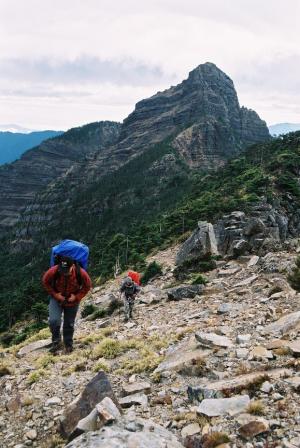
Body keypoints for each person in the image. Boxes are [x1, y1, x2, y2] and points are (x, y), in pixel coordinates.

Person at [42, 256, 92, 353]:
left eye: (66, 270)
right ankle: (56, 342)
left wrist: (76, 297)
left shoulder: (80, 273)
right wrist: (55, 295)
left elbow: (87, 286)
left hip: (72, 301)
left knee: (69, 323)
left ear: (72, 266)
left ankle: (68, 345)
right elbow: (45, 282)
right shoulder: (54, 271)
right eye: (62, 270)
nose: (64, 272)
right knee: (53, 321)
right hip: (57, 299)